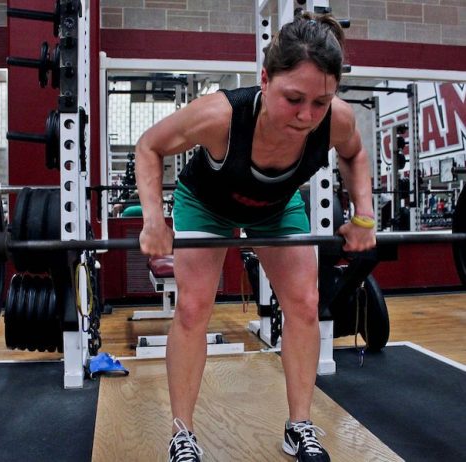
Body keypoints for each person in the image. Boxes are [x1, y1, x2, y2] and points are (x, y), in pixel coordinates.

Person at [135, 12, 376, 462]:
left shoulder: (335, 121)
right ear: (265, 79)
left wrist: (364, 217)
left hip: (276, 206)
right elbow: (149, 145)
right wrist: (153, 220)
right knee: (193, 308)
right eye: (294, 99)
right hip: (206, 203)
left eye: (320, 102)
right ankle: (182, 432)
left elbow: (355, 153)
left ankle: (299, 426)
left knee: (305, 304)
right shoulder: (220, 116)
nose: (306, 116)